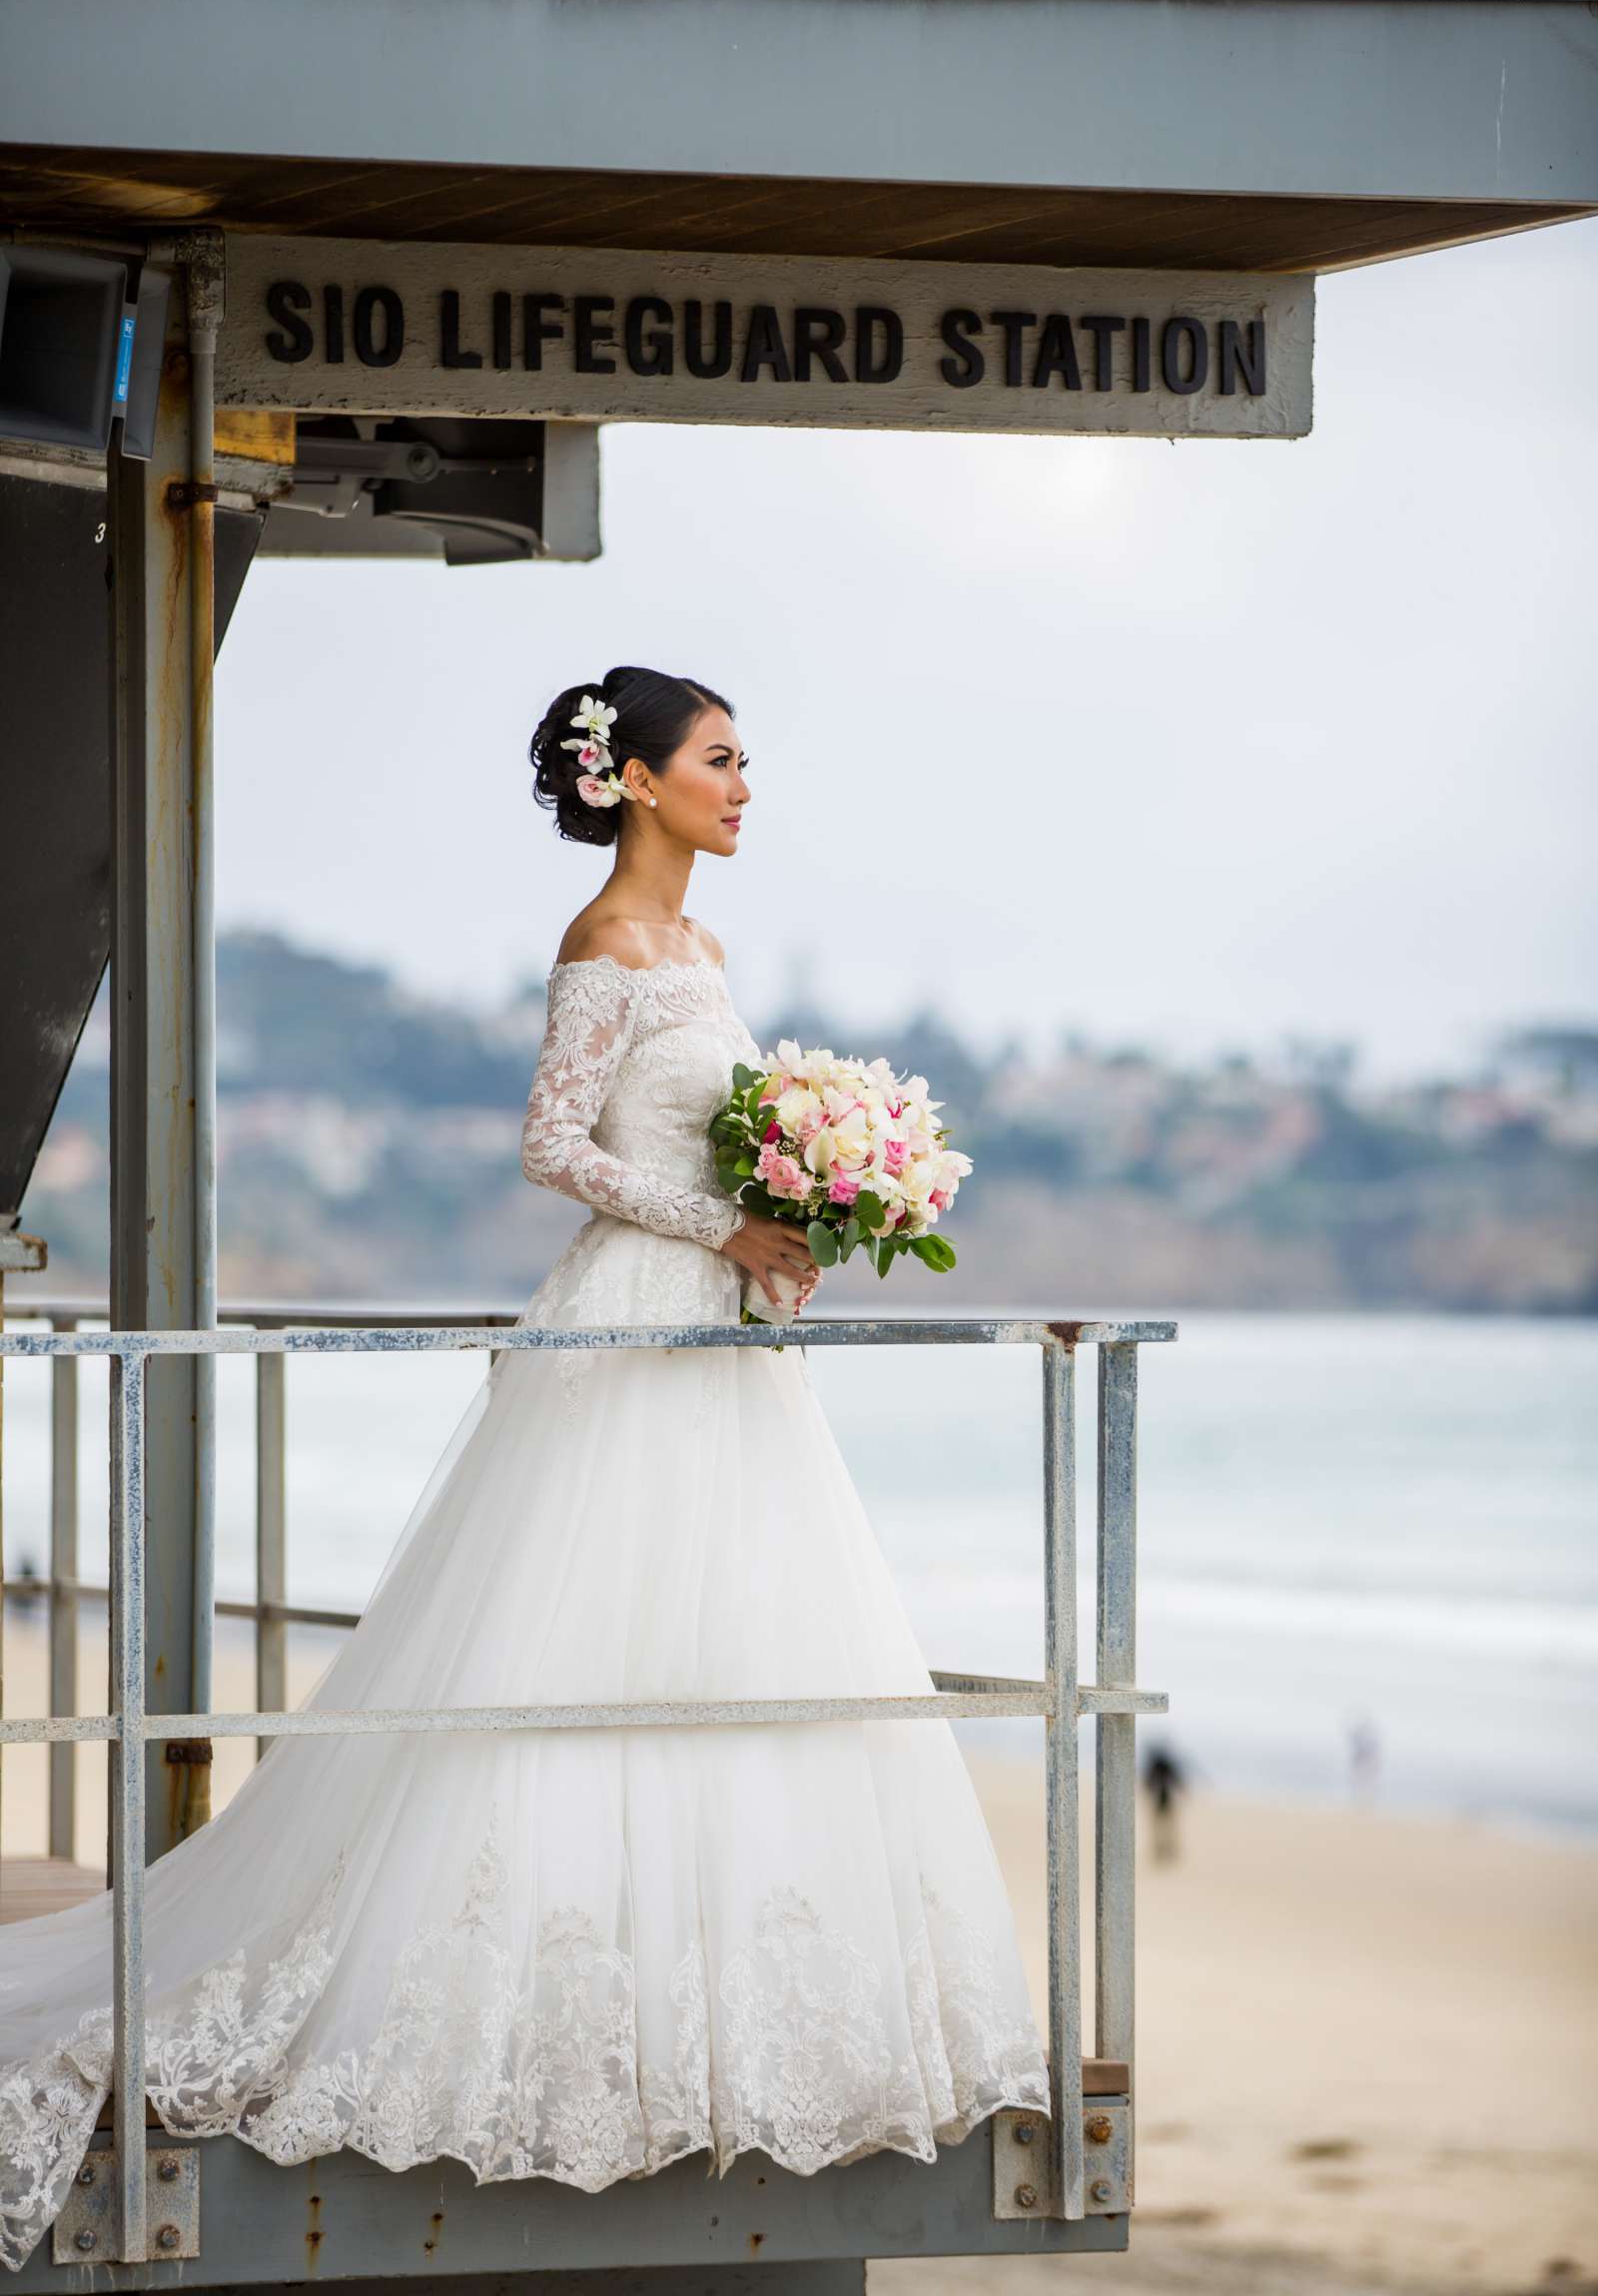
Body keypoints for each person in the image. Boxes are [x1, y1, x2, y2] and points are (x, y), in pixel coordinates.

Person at [0, 664, 1049, 2273]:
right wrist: (726, 1222)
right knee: (583, 1628)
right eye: (719, 760)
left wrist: (803, 1227)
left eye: (745, 761)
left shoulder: (706, 947)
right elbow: (554, 1149)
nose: (745, 785)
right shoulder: (610, 945)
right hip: (627, 1323)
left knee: (738, 1636)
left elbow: (699, 1135)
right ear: (630, 779)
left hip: (717, 1339)